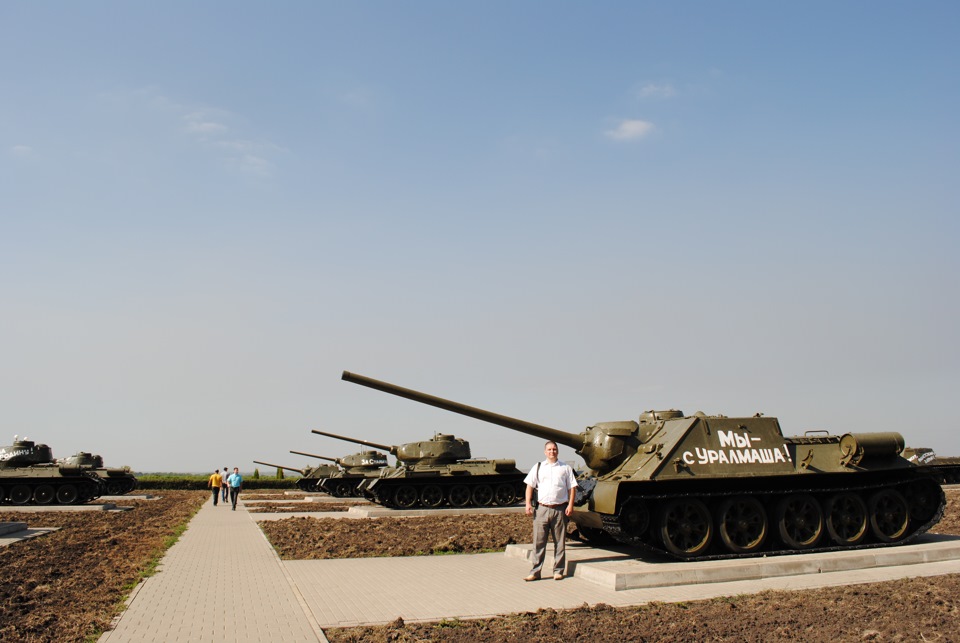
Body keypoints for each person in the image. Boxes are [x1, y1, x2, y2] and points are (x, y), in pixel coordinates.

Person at [523, 440, 578, 581]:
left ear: (557, 451)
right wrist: (528, 503)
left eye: (554, 449)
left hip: (559, 509)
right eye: (549, 449)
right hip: (542, 509)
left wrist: (570, 505)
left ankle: (558, 570)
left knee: (559, 542)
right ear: (545, 452)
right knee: (538, 542)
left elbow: (572, 488)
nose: (552, 452)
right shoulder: (538, 467)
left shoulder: (565, 468)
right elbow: (530, 486)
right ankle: (535, 571)